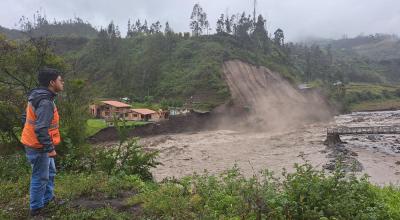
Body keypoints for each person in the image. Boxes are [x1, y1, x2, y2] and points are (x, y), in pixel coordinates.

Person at [20, 68, 64, 216]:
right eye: (60, 80)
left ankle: (48, 199)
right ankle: (36, 210)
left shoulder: (37, 95)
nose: (62, 82)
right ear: (52, 82)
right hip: (39, 146)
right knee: (40, 176)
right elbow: (40, 128)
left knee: (50, 171)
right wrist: (49, 148)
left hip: (36, 143)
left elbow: (24, 117)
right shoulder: (45, 101)